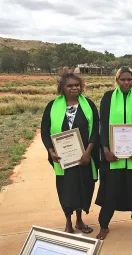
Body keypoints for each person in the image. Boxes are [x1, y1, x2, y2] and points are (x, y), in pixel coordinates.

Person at [95, 66, 132, 240]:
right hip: (112, 156)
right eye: (123, 79)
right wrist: (105, 149)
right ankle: (104, 225)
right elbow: (103, 125)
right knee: (110, 191)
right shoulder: (108, 98)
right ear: (117, 80)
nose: (126, 82)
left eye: (129, 79)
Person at [41, 72, 99, 234]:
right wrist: (51, 151)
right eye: (70, 85)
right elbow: (45, 131)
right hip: (63, 159)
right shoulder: (52, 106)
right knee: (66, 189)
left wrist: (88, 153)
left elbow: (95, 131)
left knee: (83, 188)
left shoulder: (88, 105)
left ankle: (79, 220)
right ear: (62, 88)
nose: (74, 88)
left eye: (76, 85)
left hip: (84, 159)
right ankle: (68, 221)